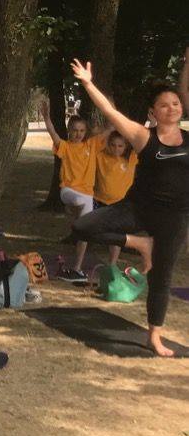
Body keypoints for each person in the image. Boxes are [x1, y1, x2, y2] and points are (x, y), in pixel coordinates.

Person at [68, 64, 188, 356]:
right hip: (138, 209)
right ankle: (140, 243)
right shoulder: (143, 137)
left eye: (175, 103)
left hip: (175, 218)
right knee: (82, 227)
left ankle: (154, 336)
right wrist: (88, 83)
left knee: (162, 276)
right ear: (153, 112)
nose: (171, 108)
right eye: (163, 105)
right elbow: (111, 113)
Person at [39, 97, 106, 283]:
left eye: (82, 131)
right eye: (75, 131)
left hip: (86, 195)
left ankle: (77, 268)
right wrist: (47, 119)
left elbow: (110, 132)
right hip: (68, 192)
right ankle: (76, 218)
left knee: (85, 230)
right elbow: (53, 134)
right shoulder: (66, 147)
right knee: (83, 209)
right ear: (69, 131)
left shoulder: (91, 146)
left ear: (86, 132)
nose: (78, 134)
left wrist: (109, 108)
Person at [93, 131, 138, 265]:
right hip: (101, 201)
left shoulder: (130, 160)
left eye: (120, 146)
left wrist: (153, 123)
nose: (116, 149)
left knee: (116, 235)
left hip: (120, 204)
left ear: (125, 147)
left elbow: (143, 142)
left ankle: (112, 264)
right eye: (113, 145)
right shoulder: (100, 156)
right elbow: (96, 142)